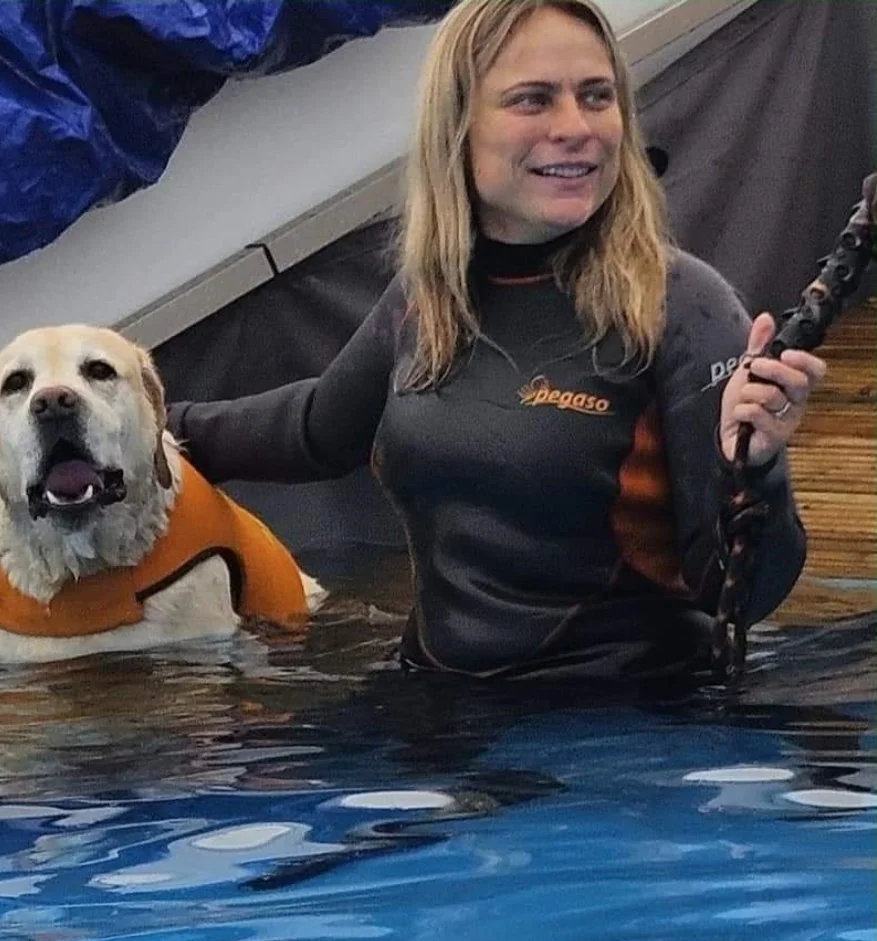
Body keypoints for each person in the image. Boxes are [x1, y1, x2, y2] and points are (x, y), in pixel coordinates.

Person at [166, 0, 827, 679]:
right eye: (532, 101)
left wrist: (756, 470)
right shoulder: (427, 299)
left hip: (622, 731)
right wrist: (133, 425)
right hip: (437, 705)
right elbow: (313, 430)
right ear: (459, 126)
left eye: (595, 96)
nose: (574, 127)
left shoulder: (681, 307)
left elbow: (740, 597)